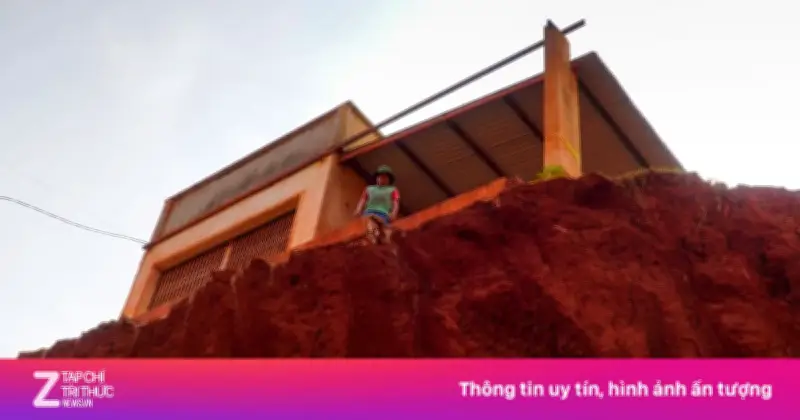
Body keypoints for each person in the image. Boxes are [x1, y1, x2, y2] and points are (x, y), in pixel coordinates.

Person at [354, 165, 400, 242]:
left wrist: (393, 214)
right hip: (369, 212)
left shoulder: (393, 190)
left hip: (383, 214)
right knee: (369, 224)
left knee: (378, 225)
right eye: (380, 176)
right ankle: (373, 238)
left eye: (385, 177)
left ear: (389, 179)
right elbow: (363, 200)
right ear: (377, 178)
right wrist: (358, 210)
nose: (382, 178)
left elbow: (396, 203)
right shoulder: (369, 189)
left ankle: (378, 237)